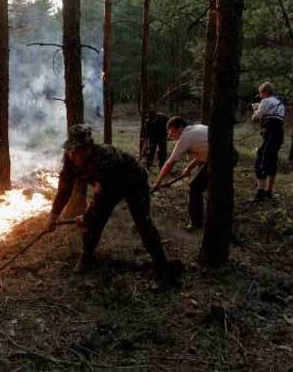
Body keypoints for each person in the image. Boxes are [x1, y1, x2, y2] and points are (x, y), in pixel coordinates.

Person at [46, 124, 181, 290]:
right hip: (108, 188)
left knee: (143, 224)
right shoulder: (70, 158)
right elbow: (64, 188)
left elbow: (101, 196)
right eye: (70, 150)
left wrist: (87, 216)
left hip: (133, 182)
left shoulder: (106, 158)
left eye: (77, 150)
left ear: (88, 148)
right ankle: (87, 256)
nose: (73, 155)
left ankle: (162, 270)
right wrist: (54, 214)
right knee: (93, 224)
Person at [153, 117, 209, 231]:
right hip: (225, 155)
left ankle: (196, 223)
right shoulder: (196, 128)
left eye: (172, 131)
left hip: (221, 159)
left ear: (180, 128)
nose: (171, 135)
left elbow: (170, 162)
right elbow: (204, 151)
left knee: (195, 187)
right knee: (199, 186)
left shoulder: (185, 137)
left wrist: (158, 182)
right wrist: (189, 167)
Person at [251, 82, 285, 201]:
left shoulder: (266, 101)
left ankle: (260, 193)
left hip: (270, 134)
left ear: (265, 92)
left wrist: (255, 110)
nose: (260, 96)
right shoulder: (279, 103)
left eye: (261, 93)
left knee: (261, 159)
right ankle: (269, 192)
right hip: (279, 135)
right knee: (272, 160)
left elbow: (256, 118)